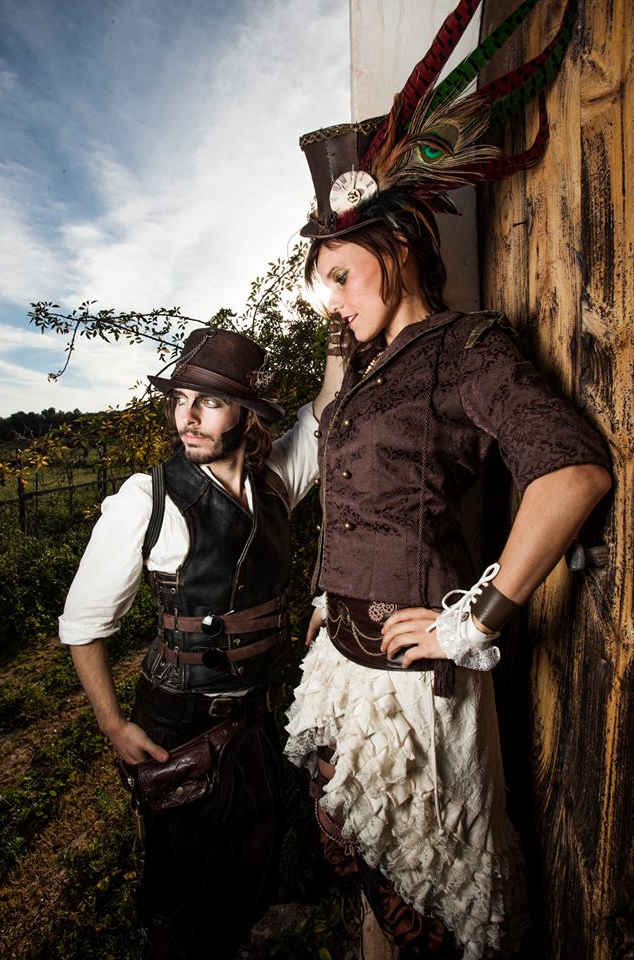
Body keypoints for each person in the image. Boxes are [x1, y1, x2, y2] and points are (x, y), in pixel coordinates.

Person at [284, 3, 611, 959]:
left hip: (417, 682)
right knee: (360, 875)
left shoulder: (466, 348)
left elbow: (572, 472)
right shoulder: (362, 373)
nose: (331, 302)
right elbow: (354, 496)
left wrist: (475, 620)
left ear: (394, 251)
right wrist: (324, 598)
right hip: (341, 655)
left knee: (430, 904)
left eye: (341, 277)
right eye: (321, 285)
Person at [59, 326, 342, 960]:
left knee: (250, 870)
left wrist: (338, 332)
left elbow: (323, 412)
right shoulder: (147, 499)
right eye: (180, 399)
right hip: (176, 721)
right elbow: (82, 624)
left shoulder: (275, 483)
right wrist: (112, 725)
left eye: (209, 402)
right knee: (182, 889)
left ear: (246, 414)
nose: (186, 417)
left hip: (252, 716)